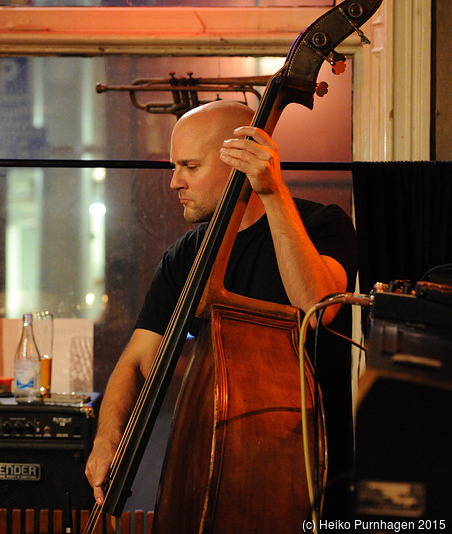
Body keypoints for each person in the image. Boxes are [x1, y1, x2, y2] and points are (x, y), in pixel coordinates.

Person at [85, 100, 358, 509]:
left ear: (237, 162)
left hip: (311, 478)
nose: (175, 182)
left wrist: (272, 191)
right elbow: (137, 361)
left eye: (190, 167)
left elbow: (317, 305)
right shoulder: (184, 257)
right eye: (175, 167)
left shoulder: (323, 225)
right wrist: (107, 440)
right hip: (215, 468)